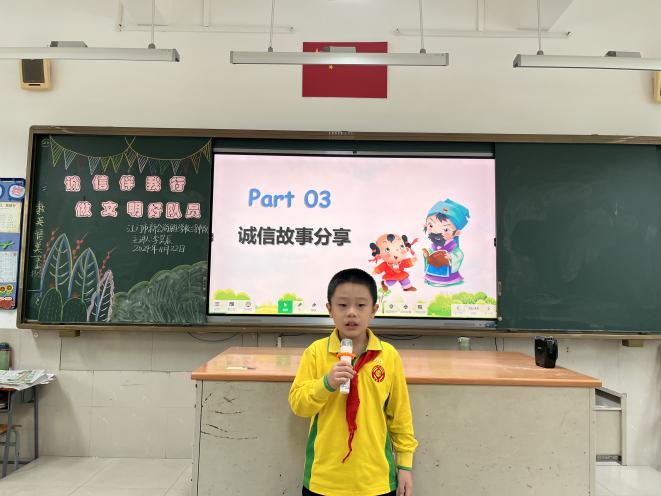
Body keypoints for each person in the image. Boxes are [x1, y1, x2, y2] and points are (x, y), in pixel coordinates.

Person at [289, 268, 418, 496]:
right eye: (342, 305)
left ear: (373, 310)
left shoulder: (388, 355)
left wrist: (405, 465)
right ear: (329, 309)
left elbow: (400, 416)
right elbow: (299, 406)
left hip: (376, 480)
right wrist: (326, 384)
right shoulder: (316, 352)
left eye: (360, 305)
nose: (351, 313)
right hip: (324, 480)